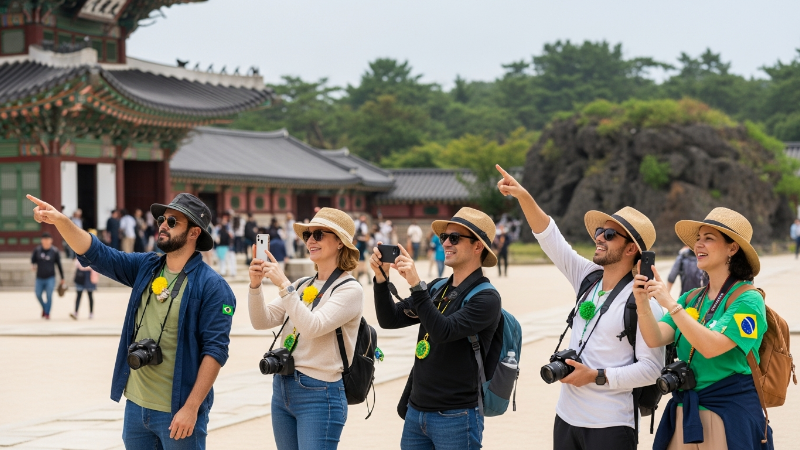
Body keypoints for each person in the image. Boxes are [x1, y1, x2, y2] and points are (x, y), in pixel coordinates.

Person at [27, 192, 236, 449]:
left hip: (177, 411)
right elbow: (97, 253)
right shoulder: (146, 267)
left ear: (194, 233)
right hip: (136, 408)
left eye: (173, 222)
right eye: (162, 218)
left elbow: (215, 352)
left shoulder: (213, 287)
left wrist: (191, 408)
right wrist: (61, 221)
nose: (162, 225)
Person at [496, 164, 665, 450]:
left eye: (610, 235)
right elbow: (551, 238)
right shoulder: (587, 278)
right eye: (600, 231)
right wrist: (523, 196)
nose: (599, 237)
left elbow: (652, 369)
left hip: (611, 425)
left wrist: (596, 376)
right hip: (566, 418)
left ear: (631, 249)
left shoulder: (643, 301)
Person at [634, 207, 773, 449]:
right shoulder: (691, 298)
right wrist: (642, 302)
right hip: (685, 411)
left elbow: (710, 347)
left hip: (728, 414)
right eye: (698, 239)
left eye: (709, 239)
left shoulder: (749, 301)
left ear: (733, 248)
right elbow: (654, 338)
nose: (699, 245)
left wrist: (669, 303)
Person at [371, 207, 502, 449]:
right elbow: (390, 319)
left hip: (457, 415)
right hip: (416, 410)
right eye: (444, 237)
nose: (446, 243)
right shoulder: (437, 288)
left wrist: (415, 285)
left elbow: (443, 331)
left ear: (478, 246)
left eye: (455, 238)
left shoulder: (487, 298)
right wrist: (381, 279)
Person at [248, 207, 363, 450]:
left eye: (319, 234)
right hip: (282, 387)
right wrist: (255, 286)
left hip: (320, 393)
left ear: (340, 242)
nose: (311, 240)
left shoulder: (349, 289)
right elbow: (262, 320)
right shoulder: (302, 284)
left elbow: (313, 327)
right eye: (307, 235)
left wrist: (284, 285)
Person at [31, 232, 65, 319]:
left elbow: (59, 264)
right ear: (41, 240)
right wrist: (33, 265)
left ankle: (47, 313)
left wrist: (62, 277)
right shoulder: (37, 250)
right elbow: (33, 260)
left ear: (51, 240)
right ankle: (44, 307)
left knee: (49, 295)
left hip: (50, 277)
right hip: (39, 277)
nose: (46, 241)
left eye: (48, 239)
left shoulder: (54, 251)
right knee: (38, 294)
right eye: (44, 239)